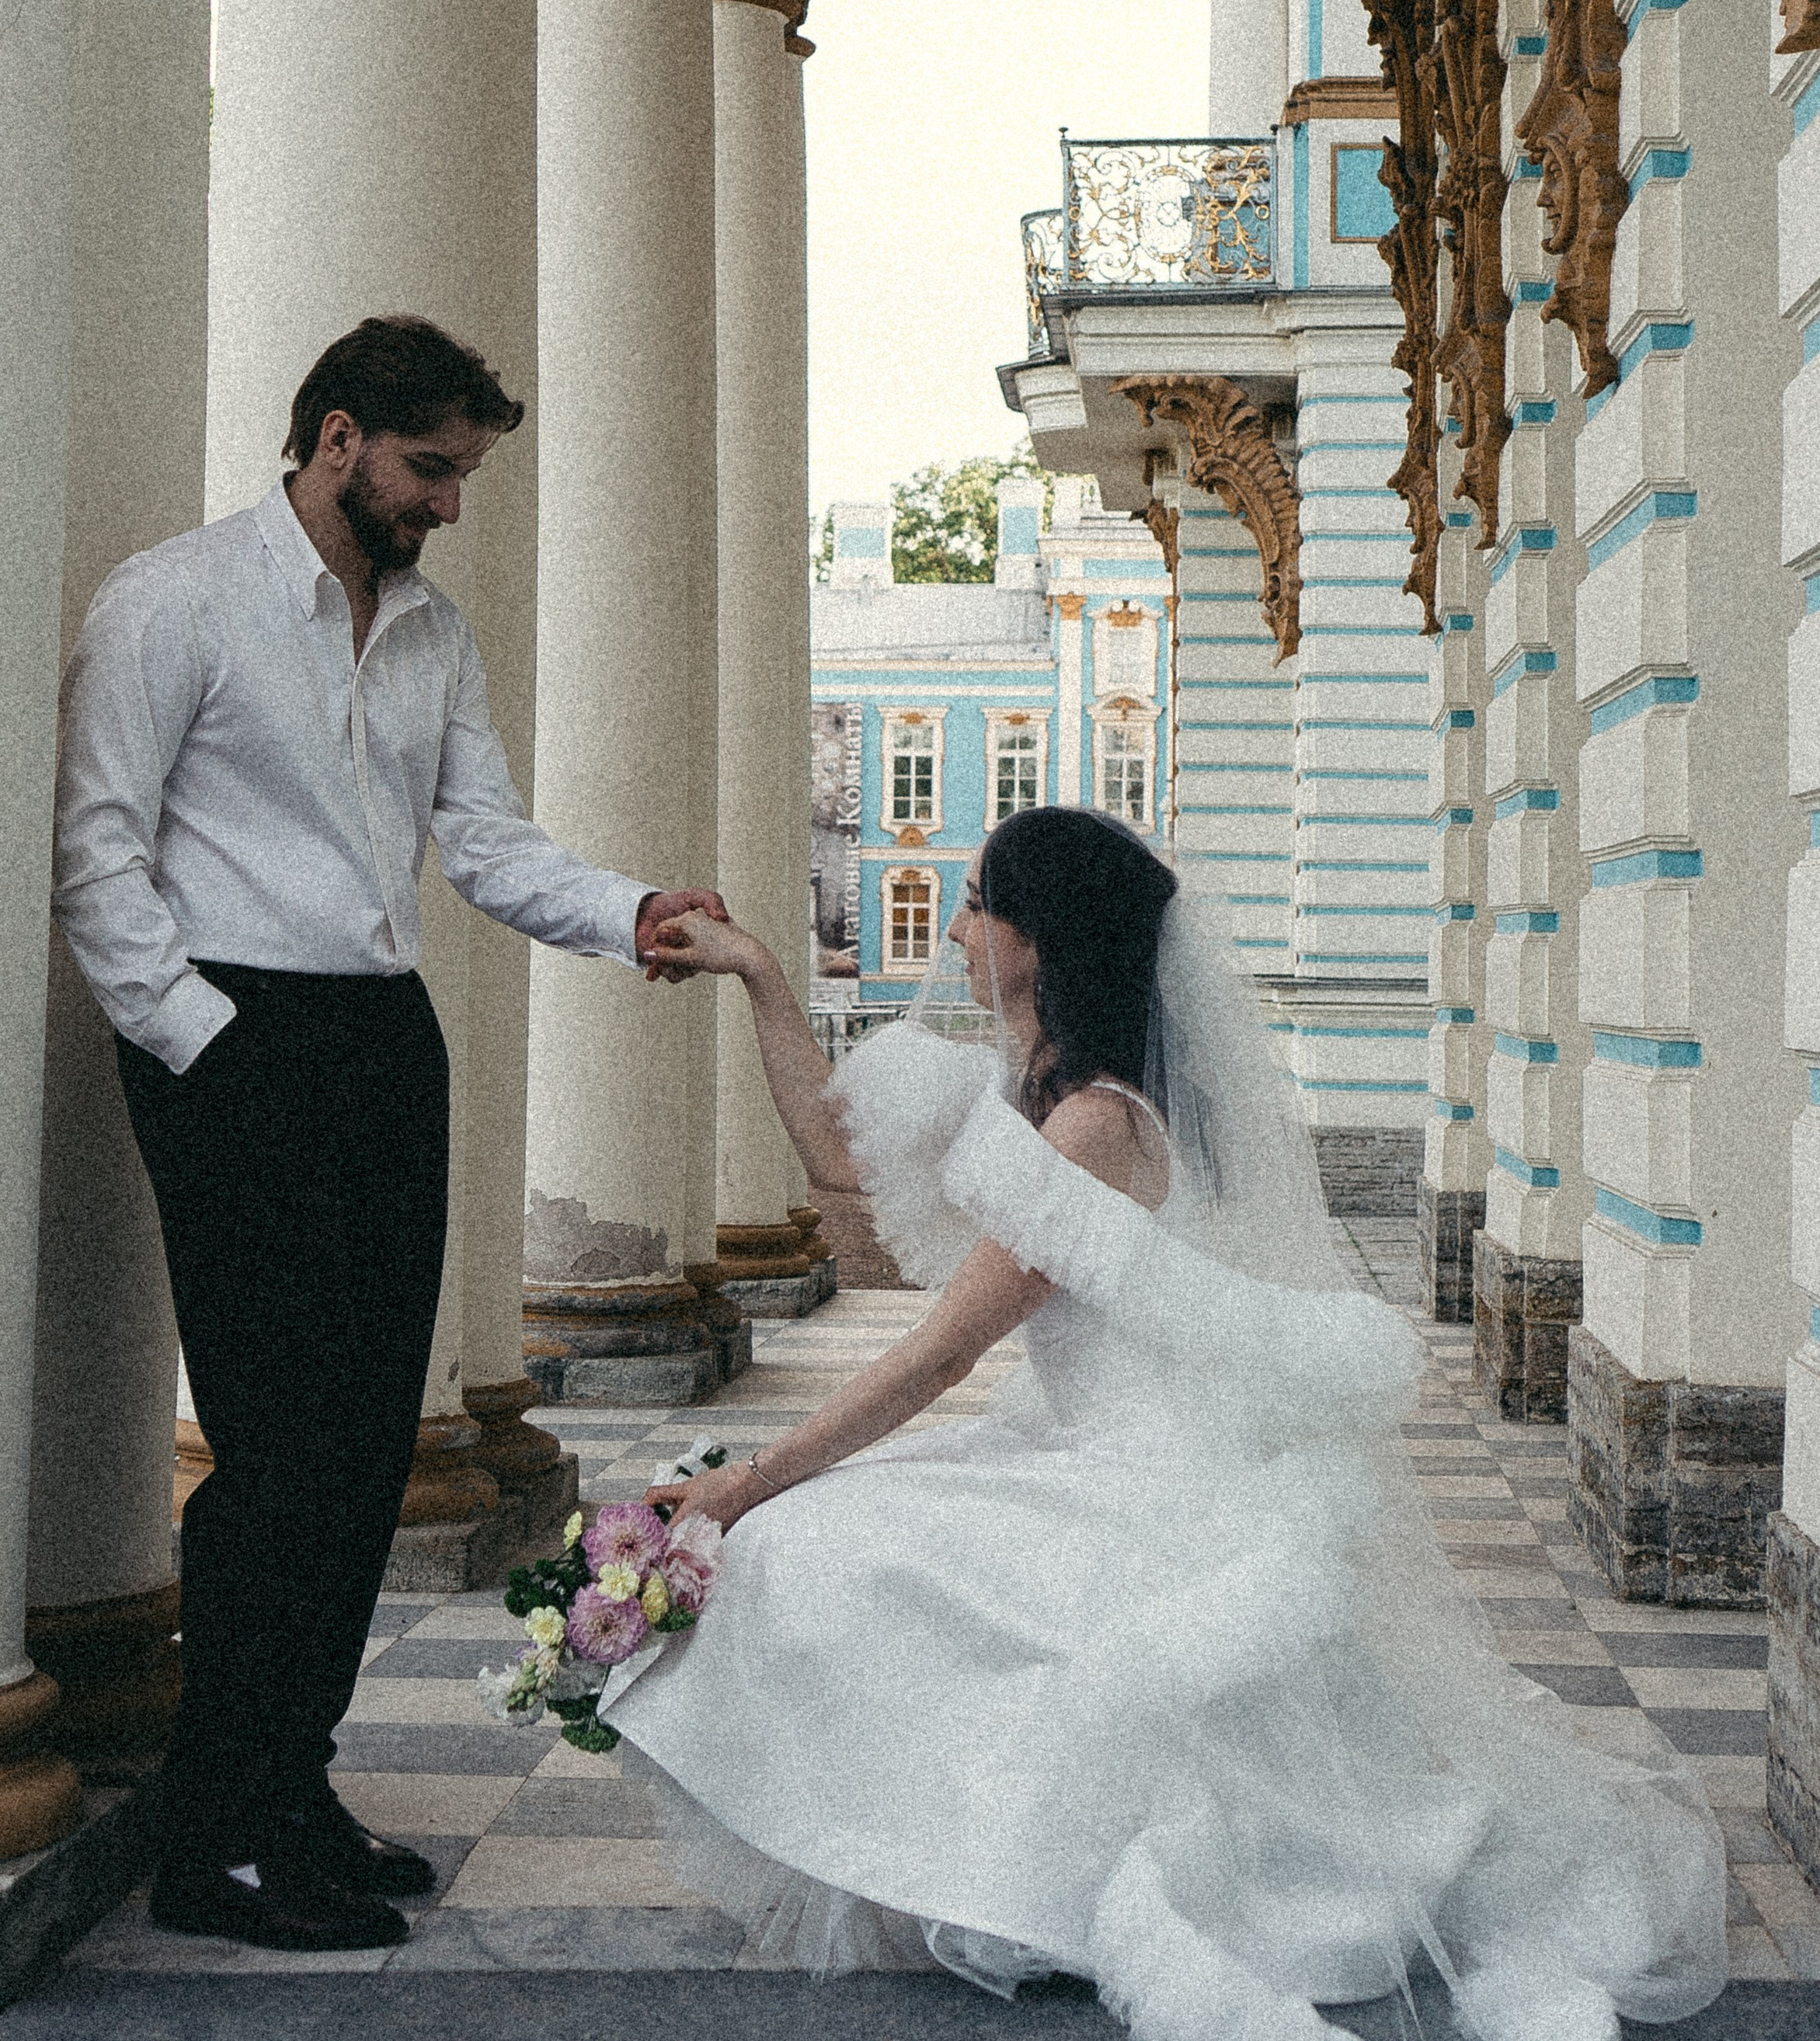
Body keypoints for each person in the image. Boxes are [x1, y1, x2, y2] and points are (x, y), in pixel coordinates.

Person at [603, 807, 1728, 2041]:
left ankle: (1009, 1876)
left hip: (1148, 1474)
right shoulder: (1018, 1088)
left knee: (814, 1545)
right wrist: (760, 973)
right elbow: (835, 1154)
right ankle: (949, 1856)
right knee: (831, 1540)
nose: (959, 929)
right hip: (1067, 1442)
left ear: (1041, 941)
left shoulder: (1095, 1123)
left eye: (979, 905)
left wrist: (746, 1482)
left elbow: (942, 1352)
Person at [52, 314, 722, 1953]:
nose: (447, 504)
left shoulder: (429, 637)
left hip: (377, 1048)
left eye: (464, 474)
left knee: (363, 1457)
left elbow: (485, 847)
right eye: (430, 468)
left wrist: (632, 910)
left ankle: (292, 1786)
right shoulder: (173, 601)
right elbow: (96, 858)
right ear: (336, 436)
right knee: (275, 1456)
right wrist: (210, 1050)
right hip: (229, 1040)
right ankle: (218, 1836)